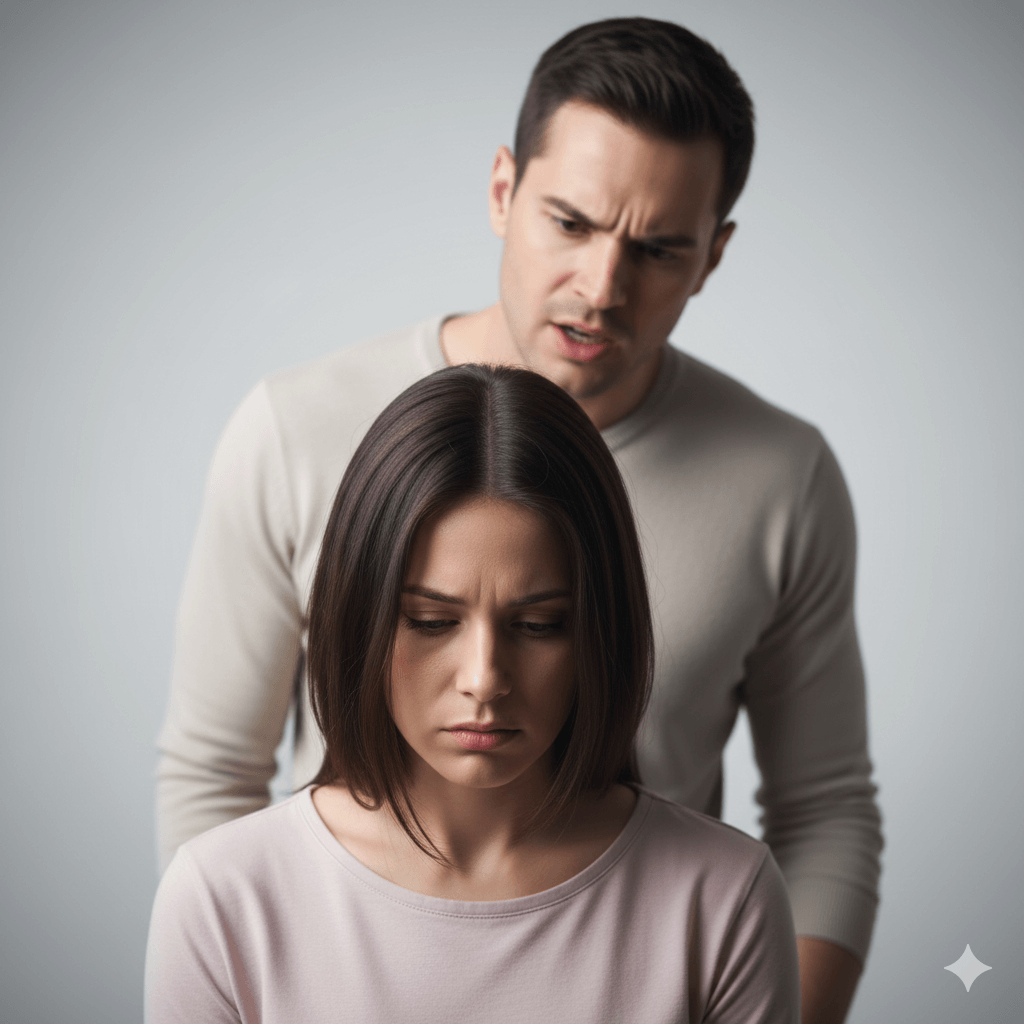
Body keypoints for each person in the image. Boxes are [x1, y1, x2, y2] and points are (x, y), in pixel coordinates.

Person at [156, 17, 882, 1024]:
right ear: (503, 191)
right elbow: (211, 777)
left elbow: (824, 808)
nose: (601, 289)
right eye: (570, 223)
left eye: (659, 248)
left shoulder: (782, 477)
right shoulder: (297, 428)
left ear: (713, 255)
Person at [146, 365, 800, 1023]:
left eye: (539, 625)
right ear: (359, 616)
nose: (484, 678)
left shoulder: (722, 898)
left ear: (600, 631)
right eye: (432, 622)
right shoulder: (222, 898)